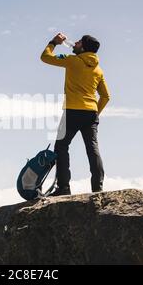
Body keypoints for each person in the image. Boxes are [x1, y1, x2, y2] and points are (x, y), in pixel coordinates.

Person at [40, 33, 111, 195]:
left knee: (61, 147)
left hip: (72, 111)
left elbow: (45, 57)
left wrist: (53, 42)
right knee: (92, 149)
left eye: (78, 42)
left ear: (83, 47)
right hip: (91, 113)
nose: (75, 43)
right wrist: (95, 114)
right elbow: (106, 97)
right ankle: (98, 188)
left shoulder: (71, 60)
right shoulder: (98, 70)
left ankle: (64, 188)